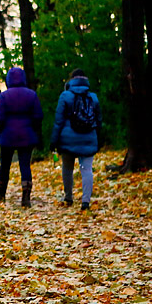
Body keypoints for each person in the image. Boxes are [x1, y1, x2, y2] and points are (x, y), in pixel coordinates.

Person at [50, 68, 102, 210]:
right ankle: (85, 201)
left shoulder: (65, 96)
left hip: (68, 140)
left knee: (67, 168)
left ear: (71, 80)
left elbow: (58, 121)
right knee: (86, 169)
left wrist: (54, 141)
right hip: (88, 138)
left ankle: (68, 197)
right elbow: (98, 121)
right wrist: (98, 139)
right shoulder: (93, 97)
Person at [0, 67, 44, 207]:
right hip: (26, 135)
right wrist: (33, 129)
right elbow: (38, 116)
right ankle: (26, 196)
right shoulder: (31, 95)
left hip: (8, 135)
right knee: (25, 165)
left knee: (5, 165)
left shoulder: (4, 96)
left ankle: (1, 192)